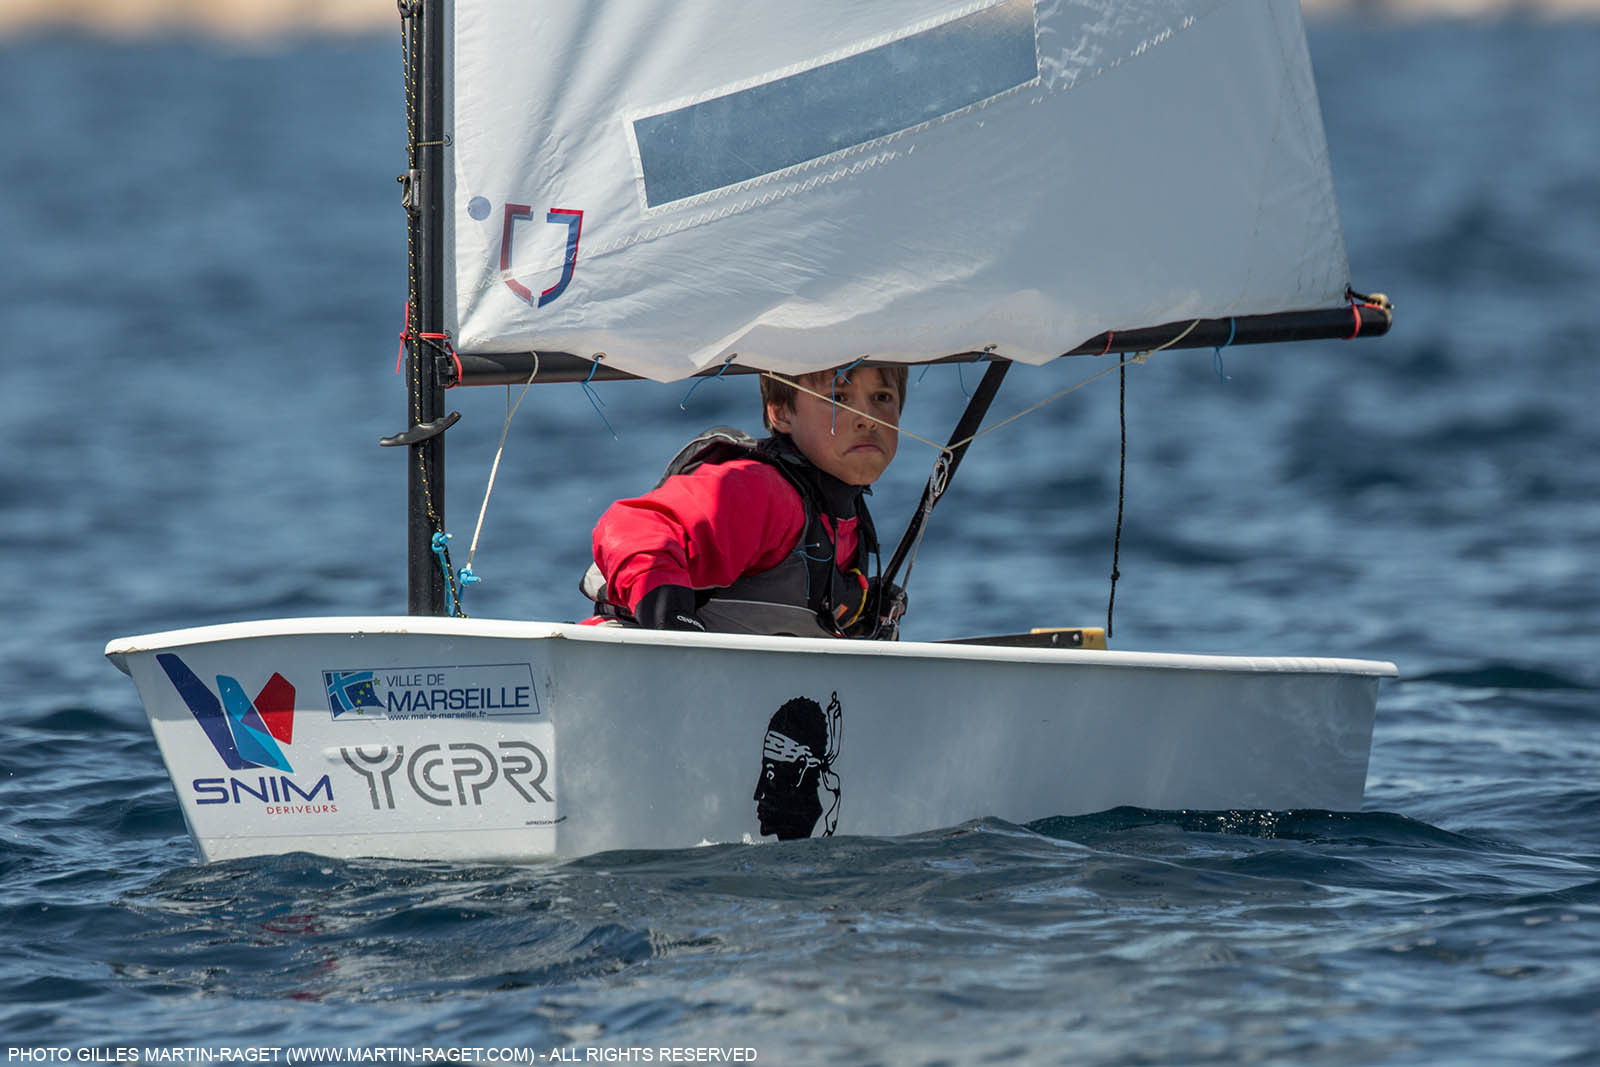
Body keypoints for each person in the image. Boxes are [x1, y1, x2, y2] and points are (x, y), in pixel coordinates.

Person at [582, 363, 908, 638]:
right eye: (838, 398)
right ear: (781, 413)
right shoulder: (760, 489)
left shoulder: (843, 515)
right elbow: (633, 528)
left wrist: (855, 614)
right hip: (621, 665)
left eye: (882, 397)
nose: (867, 418)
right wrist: (670, 617)